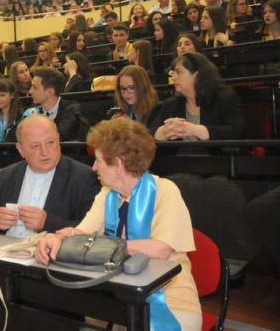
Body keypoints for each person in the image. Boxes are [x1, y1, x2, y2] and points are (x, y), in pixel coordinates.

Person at [35, 117, 202, 330]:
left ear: (118, 164)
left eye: (98, 160)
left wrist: (101, 246)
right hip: (121, 296)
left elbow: (159, 250)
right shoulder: (107, 194)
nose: (93, 167)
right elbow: (81, 233)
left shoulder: (165, 190)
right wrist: (57, 238)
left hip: (172, 299)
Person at [0, 115, 99, 236]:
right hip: (5, 248)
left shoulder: (84, 178)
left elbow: (93, 231)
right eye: (35, 146)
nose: (45, 152)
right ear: (20, 149)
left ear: (58, 139)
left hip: (52, 250)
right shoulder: (6, 176)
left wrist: (47, 223)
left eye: (50, 142)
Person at [154, 53, 245, 140]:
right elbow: (150, 132)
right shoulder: (170, 104)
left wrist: (195, 130)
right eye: (173, 72)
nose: (173, 77)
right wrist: (163, 132)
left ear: (197, 75)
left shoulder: (224, 99)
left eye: (179, 72)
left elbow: (237, 131)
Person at [24, 67, 81, 141]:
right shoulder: (31, 111)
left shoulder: (71, 108)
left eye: (35, 87)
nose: (30, 91)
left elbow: (60, 135)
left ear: (50, 92)